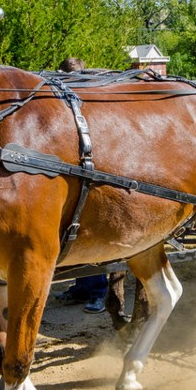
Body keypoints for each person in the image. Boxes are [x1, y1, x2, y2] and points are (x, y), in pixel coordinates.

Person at [54, 56, 108, 313]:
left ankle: (98, 292)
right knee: (74, 236)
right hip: (74, 171)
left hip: (95, 174)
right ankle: (82, 287)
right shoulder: (66, 100)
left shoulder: (92, 100)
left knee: (92, 234)